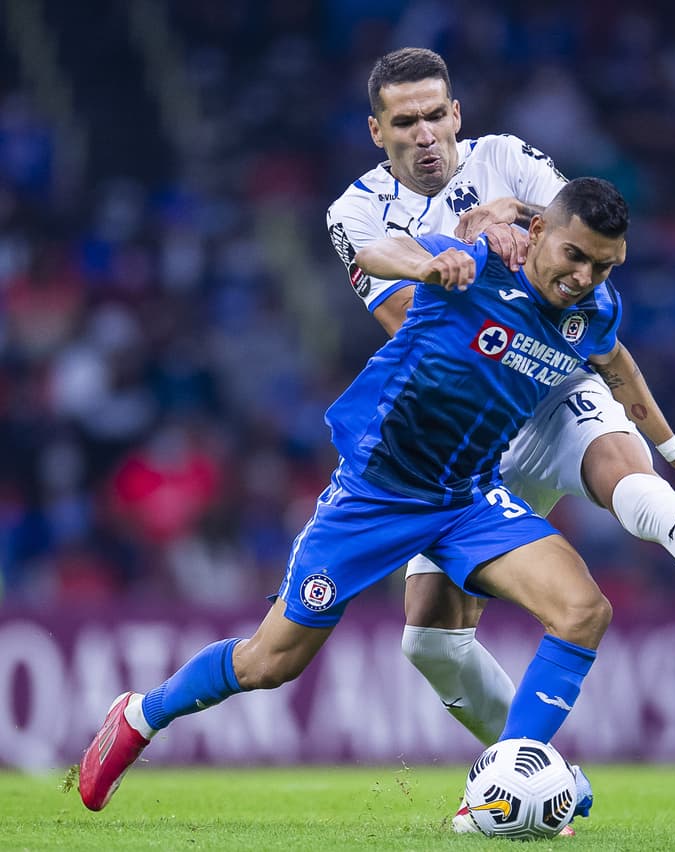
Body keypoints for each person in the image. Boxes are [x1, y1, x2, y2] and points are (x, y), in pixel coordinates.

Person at [327, 47, 675, 792]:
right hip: (469, 426)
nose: (427, 133)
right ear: (378, 131)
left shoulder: (507, 157)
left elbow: (584, 222)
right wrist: (469, 240)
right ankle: (536, 772)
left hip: (552, 382)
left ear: (456, 113)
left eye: (437, 114)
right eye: (407, 122)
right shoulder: (355, 215)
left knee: (638, 484)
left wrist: (509, 212)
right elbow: (416, 324)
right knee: (428, 642)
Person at [80, 178, 637, 814]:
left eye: (603, 265)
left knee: (583, 611)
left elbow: (615, 361)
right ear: (540, 236)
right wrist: (434, 261)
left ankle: (511, 782)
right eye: (576, 256)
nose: (585, 275)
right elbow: (373, 253)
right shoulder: (481, 260)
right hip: (375, 494)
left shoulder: (594, 312)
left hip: (467, 497)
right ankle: (141, 715)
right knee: (271, 661)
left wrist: (670, 448)